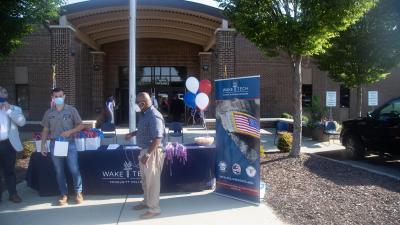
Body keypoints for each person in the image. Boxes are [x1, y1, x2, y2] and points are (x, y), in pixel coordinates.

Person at [40, 88, 85, 206]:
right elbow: (45, 129)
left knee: (74, 169)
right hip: (55, 144)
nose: (58, 98)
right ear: (52, 98)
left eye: (60, 96)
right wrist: (42, 145)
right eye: (56, 96)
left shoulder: (71, 110)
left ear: (64, 96)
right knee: (59, 171)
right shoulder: (49, 113)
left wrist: (71, 131)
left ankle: (78, 192)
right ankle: (64, 194)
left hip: (69, 143)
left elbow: (81, 125)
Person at [125, 92, 165, 219]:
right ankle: (147, 202)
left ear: (144, 102)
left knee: (152, 182)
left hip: (152, 152)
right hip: (146, 150)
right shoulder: (144, 114)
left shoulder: (154, 116)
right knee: (145, 180)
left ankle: (154, 209)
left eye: (138, 102)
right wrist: (132, 134)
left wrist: (147, 154)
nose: (136, 104)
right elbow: (144, 129)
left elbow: (158, 138)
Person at [0, 86, 26, 203]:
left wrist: (9, 110)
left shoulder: (15, 109)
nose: (1, 95)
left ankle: (13, 194)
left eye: (4, 92)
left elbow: (22, 122)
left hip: (8, 144)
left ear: (6, 95)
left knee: (9, 170)